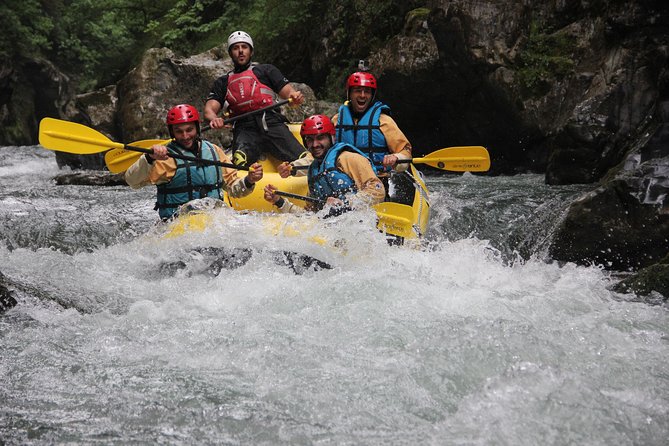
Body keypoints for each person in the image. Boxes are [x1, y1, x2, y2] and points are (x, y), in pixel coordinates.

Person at [125, 104, 263, 220]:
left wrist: (249, 180)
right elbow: (132, 181)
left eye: (189, 130)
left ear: (197, 128)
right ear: (172, 133)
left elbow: (235, 190)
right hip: (178, 226)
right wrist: (149, 158)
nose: (185, 136)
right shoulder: (164, 159)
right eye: (179, 132)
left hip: (214, 222)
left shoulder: (214, 151)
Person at [204, 30, 309, 168]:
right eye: (236, 48)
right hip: (244, 129)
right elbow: (209, 110)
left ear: (251, 51)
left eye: (244, 47)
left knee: (303, 159)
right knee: (240, 163)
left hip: (271, 123)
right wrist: (214, 119)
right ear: (230, 54)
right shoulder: (223, 82)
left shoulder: (266, 70)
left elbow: (288, 92)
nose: (240, 51)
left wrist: (294, 97)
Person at [263, 114, 385, 214]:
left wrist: (346, 203)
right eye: (310, 140)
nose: (315, 144)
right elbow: (309, 217)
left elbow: (378, 190)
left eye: (320, 138)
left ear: (331, 138)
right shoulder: (314, 172)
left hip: (360, 225)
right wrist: (279, 202)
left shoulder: (348, 159)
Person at [332, 71, 412, 174]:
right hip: (344, 180)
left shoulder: (384, 121)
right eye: (357, 91)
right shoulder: (336, 121)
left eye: (367, 91)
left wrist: (396, 157)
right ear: (349, 93)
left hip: (377, 179)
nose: (362, 95)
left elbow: (405, 151)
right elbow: (322, 150)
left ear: (372, 95)